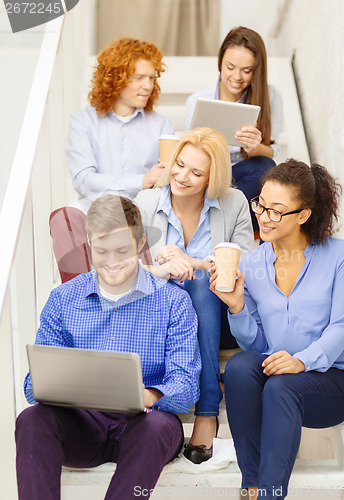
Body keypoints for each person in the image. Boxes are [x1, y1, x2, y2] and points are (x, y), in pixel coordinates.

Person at [15, 195, 201, 500]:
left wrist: (150, 395)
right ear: (88, 244)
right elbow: (33, 386)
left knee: (154, 427)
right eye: (101, 251)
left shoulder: (173, 302)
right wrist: (59, 385)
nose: (111, 262)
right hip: (83, 425)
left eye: (121, 251)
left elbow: (186, 386)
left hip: (145, 425)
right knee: (31, 420)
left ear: (141, 243)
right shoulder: (63, 299)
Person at [210, 159, 344, 499]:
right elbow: (257, 343)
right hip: (279, 377)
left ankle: (270, 494)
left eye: (276, 211)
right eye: (261, 204)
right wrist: (238, 306)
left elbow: (342, 326)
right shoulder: (252, 263)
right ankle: (253, 485)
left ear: (303, 215)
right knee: (240, 366)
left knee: (281, 386)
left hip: (332, 382)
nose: (263, 216)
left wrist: (303, 360)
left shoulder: (338, 256)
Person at [134, 127, 254, 464]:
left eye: (195, 172)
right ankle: (202, 401)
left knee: (200, 283)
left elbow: (249, 263)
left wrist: (196, 263)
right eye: (179, 164)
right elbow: (125, 267)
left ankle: (206, 409)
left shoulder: (233, 203)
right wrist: (164, 269)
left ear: (211, 179)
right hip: (160, 311)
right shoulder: (146, 202)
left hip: (216, 312)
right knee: (186, 288)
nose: (181, 176)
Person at [184, 26, 283, 231]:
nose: (237, 77)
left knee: (264, 166)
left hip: (242, 182)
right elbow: (190, 155)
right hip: (208, 178)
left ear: (257, 69)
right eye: (230, 67)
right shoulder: (198, 101)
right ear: (220, 61)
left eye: (247, 71)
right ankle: (227, 226)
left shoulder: (270, 97)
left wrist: (254, 146)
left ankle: (215, 226)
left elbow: (272, 153)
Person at [66, 37, 174, 200]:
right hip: (97, 214)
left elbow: (164, 182)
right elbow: (84, 181)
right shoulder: (82, 121)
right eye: (139, 78)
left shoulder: (162, 125)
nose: (148, 86)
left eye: (151, 78)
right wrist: (140, 181)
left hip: (144, 215)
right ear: (115, 80)